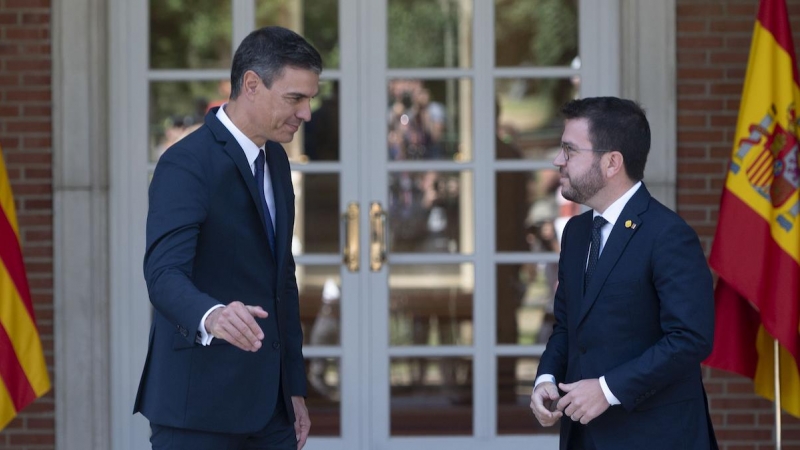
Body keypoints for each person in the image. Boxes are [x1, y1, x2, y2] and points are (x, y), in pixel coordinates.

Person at [133, 26, 322, 450]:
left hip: (272, 413)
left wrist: (293, 388)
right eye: (295, 98)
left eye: (310, 98)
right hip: (198, 409)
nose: (306, 113)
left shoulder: (275, 159)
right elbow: (163, 274)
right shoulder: (185, 163)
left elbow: (281, 282)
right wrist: (212, 315)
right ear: (251, 85)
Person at [529, 97, 718, 450]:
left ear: (612, 162)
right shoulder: (576, 232)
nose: (558, 161)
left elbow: (691, 338)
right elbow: (568, 326)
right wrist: (546, 378)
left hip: (657, 437)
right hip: (583, 437)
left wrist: (607, 389)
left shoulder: (668, 234)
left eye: (569, 151)